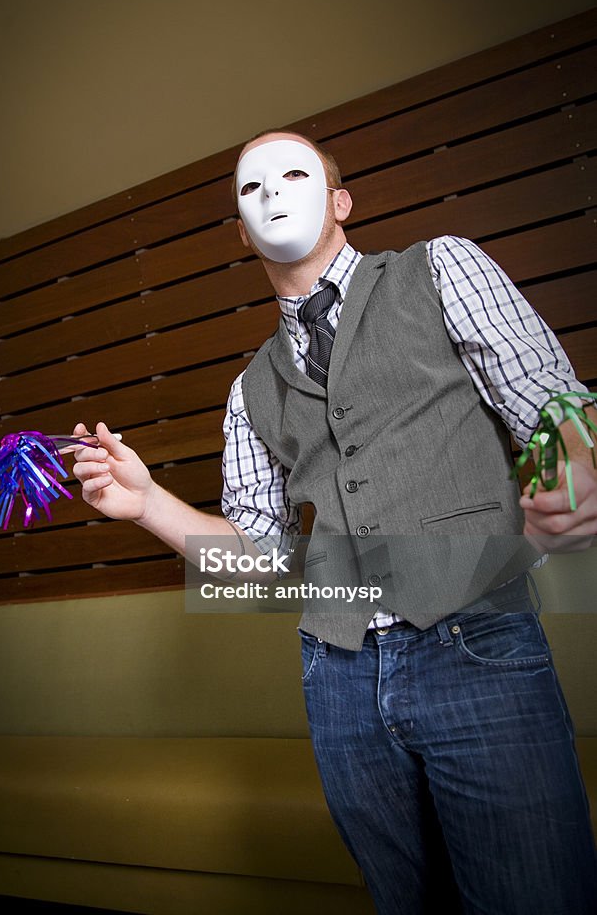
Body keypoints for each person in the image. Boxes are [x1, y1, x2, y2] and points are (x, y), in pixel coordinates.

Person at [72, 130, 597, 914]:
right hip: (338, 673)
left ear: (340, 202)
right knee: (404, 900)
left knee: (534, 897)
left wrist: (577, 473)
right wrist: (147, 503)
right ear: (241, 231)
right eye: (251, 190)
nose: (273, 194)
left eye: (293, 174)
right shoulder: (248, 389)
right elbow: (258, 559)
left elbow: (550, 401)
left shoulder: (440, 266)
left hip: (475, 641)